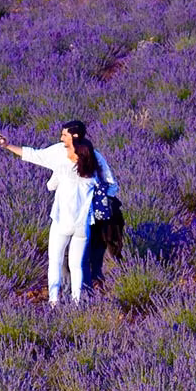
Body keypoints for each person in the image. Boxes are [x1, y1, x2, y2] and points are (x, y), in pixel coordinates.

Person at [0, 127, 99, 305]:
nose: (65, 150)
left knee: (55, 262)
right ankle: (76, 303)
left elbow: (50, 185)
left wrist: (7, 146)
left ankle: (53, 301)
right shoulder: (92, 173)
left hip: (62, 222)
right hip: (82, 225)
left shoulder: (63, 169)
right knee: (77, 266)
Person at [55, 120, 119, 291]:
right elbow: (112, 186)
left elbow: (111, 184)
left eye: (64, 135)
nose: (61, 139)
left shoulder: (91, 155)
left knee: (79, 255)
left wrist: (97, 200)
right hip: (75, 214)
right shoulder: (65, 155)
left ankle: (80, 293)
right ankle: (77, 293)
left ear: (75, 136)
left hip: (85, 216)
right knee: (74, 256)